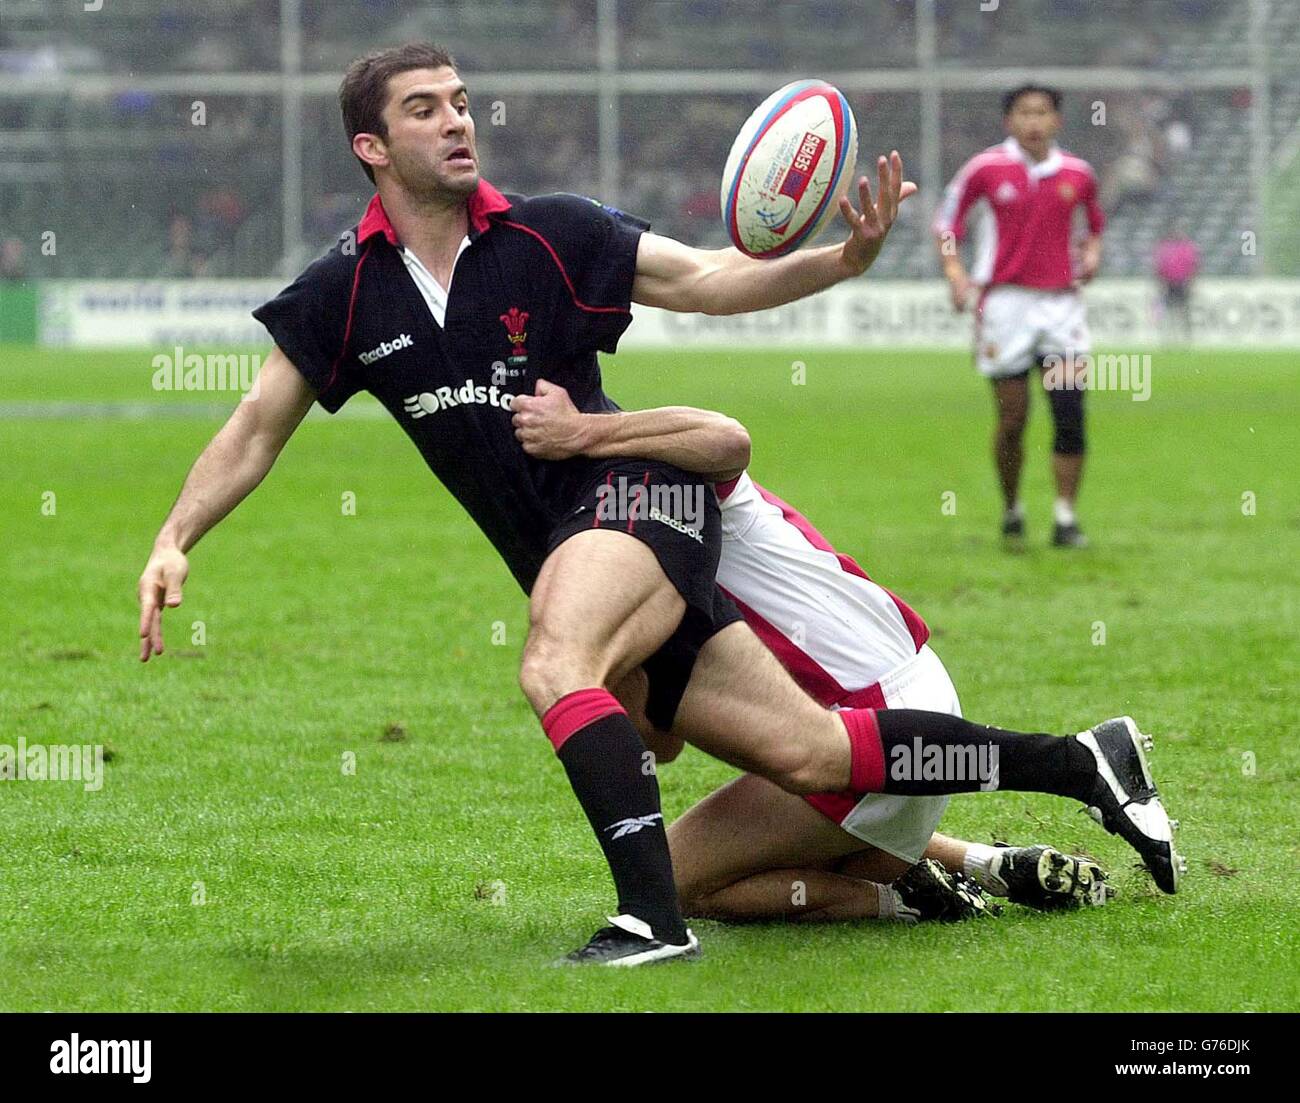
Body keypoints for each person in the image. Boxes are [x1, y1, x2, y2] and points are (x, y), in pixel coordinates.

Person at [139, 45, 1174, 968]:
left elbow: (714, 278)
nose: (457, 121)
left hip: (635, 493)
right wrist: (176, 536)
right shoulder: (345, 290)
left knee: (554, 662)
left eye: (461, 102)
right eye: (424, 109)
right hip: (566, 543)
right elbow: (254, 427)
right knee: (808, 750)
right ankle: (1071, 761)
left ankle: (648, 925)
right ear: (370, 144)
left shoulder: (552, 234)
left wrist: (841, 260)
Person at [511, 385, 1149, 924]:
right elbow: (667, 743)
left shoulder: (651, 500)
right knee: (808, 845)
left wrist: (580, 434)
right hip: (918, 704)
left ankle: (903, 901)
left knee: (673, 882)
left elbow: (728, 438)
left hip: (874, 730)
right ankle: (983, 861)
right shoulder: (662, 502)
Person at [933, 84, 1104, 549]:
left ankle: (1066, 518)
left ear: (1057, 121)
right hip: (1004, 305)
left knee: (1069, 414)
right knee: (1013, 419)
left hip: (1061, 307)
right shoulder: (985, 169)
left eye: (1042, 112)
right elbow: (947, 224)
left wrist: (1091, 255)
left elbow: (1094, 230)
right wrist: (954, 271)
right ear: (1009, 121)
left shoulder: (1078, 174)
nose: (1034, 122)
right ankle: (1012, 509)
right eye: (1024, 113)